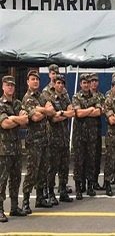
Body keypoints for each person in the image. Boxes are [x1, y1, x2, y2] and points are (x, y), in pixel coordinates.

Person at [21, 69, 53, 212]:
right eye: (32, 79)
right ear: (28, 82)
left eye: (37, 79)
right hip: (33, 141)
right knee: (32, 171)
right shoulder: (27, 98)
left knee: (43, 170)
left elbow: (51, 110)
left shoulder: (42, 96)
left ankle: (40, 198)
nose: (35, 81)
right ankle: (26, 201)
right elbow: (34, 117)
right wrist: (44, 110)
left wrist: (41, 110)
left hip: (44, 140)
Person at [0, 75, 29, 221]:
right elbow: (4, 124)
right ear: (3, 87)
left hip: (17, 148)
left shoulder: (17, 103)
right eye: (8, 85)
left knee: (16, 179)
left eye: (12, 85)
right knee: (2, 180)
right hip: (4, 150)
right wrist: (17, 119)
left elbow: (25, 121)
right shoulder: (0, 104)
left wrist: (12, 119)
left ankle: (14, 207)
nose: (10, 87)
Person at [45, 73, 74, 204]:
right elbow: (53, 118)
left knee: (64, 167)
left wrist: (61, 112)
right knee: (52, 167)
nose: (60, 85)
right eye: (58, 83)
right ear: (54, 84)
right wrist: (64, 114)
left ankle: (62, 191)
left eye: (62, 83)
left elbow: (71, 112)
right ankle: (50, 193)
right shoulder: (49, 97)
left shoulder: (65, 96)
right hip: (53, 138)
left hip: (64, 138)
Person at [71, 74, 98, 200]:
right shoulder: (76, 97)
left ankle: (90, 186)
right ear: (80, 84)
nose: (86, 85)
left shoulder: (95, 96)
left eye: (88, 82)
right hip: (79, 136)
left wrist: (85, 111)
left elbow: (99, 112)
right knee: (79, 162)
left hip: (91, 135)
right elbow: (78, 114)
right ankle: (78, 187)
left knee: (90, 161)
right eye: (84, 83)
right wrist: (90, 109)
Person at [89, 74, 106, 190]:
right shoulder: (84, 95)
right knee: (85, 158)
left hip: (97, 130)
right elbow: (78, 112)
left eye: (96, 81)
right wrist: (94, 110)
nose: (94, 83)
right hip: (84, 131)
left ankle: (94, 181)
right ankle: (85, 183)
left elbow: (103, 110)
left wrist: (90, 111)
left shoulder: (101, 96)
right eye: (92, 81)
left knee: (96, 157)